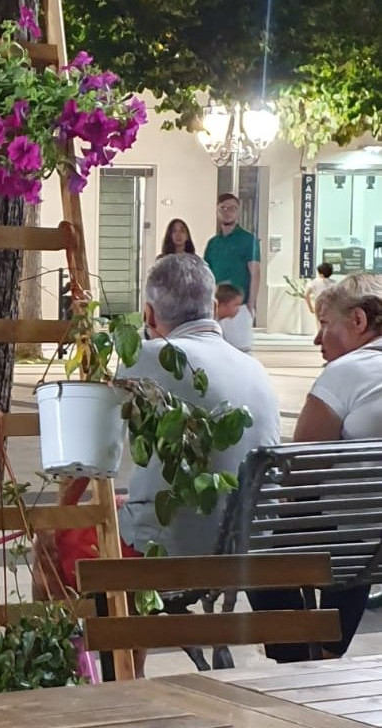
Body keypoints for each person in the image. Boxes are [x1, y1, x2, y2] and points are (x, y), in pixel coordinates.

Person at [116, 254, 280, 674]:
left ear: (149, 314)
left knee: (58, 543)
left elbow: (99, 458)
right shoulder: (255, 368)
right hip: (245, 550)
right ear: (213, 307)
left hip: (171, 553)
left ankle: (119, 677)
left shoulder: (147, 357)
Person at [249, 272, 382, 663]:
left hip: (352, 539)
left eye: (325, 325)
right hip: (369, 544)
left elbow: (299, 468)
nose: (317, 339)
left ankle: (297, 658)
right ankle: (327, 649)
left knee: (260, 546)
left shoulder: (349, 371)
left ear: (358, 321)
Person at [204, 193, 260, 318]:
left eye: (232, 208)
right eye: (223, 208)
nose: (227, 212)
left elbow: (255, 273)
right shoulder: (213, 243)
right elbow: (207, 275)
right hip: (216, 306)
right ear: (217, 211)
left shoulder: (248, 240)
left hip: (240, 306)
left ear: (238, 211)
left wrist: (251, 304)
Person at [215, 282, 252, 353]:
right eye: (236, 305)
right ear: (223, 305)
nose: (239, 309)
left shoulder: (220, 322)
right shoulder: (211, 324)